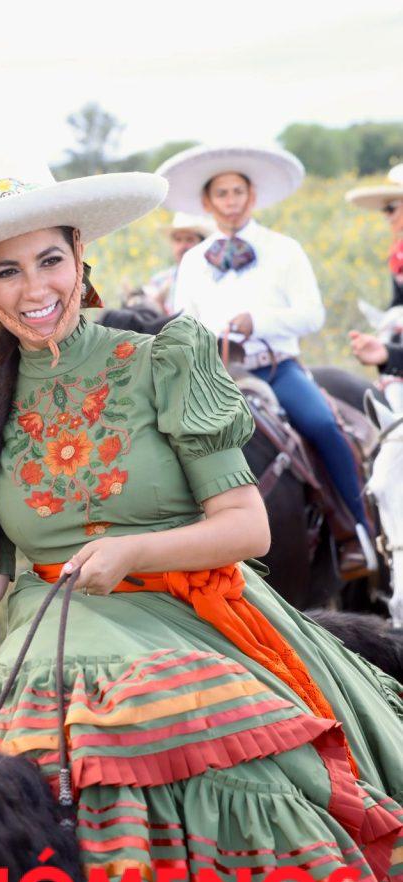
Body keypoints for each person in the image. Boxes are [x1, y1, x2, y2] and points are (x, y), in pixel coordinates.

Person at [0, 151, 403, 882]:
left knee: (230, 782)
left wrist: (136, 552)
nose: (36, 288)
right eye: (8, 271)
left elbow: (248, 528)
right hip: (42, 648)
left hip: (181, 618)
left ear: (80, 255)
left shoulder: (161, 360)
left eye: (50, 260)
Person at [159, 143, 377, 578]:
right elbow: (181, 320)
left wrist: (257, 321)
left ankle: (356, 533)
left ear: (252, 196)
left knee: (320, 425)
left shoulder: (284, 249)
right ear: (207, 203)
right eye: (221, 194)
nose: (231, 201)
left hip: (275, 368)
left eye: (238, 191)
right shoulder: (194, 262)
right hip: (215, 375)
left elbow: (312, 315)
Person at [345, 172, 403, 376]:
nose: (386, 216)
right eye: (384, 210)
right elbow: (398, 304)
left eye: (390, 208)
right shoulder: (398, 254)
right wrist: (386, 350)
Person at [143, 211, 214, 315]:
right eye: (178, 240)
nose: (183, 246)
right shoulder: (159, 281)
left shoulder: (213, 278)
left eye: (189, 240)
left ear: (201, 244)